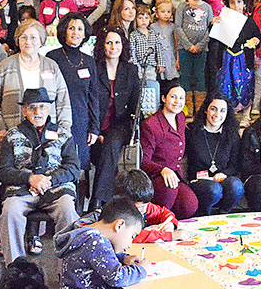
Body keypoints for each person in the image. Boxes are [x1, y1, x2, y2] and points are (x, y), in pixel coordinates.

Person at [0, 88, 81, 260]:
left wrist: (50, 180)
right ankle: (15, 267)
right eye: (32, 107)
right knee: (10, 211)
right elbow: (3, 171)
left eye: (42, 107)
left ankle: (67, 269)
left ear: (49, 109)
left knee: (68, 211)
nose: (37, 112)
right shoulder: (12, 135)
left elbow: (73, 168)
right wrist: (29, 178)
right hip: (21, 190)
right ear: (24, 111)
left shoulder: (63, 135)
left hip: (56, 189)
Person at [0, 21, 73, 146]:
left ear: (41, 40)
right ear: (17, 40)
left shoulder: (51, 66)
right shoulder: (5, 66)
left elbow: (63, 99)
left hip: (48, 136)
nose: (28, 42)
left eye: (33, 37)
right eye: (23, 37)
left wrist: (64, 129)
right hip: (12, 134)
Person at [47, 13, 99, 187]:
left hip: (81, 121)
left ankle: (78, 211)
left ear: (85, 34)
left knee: (80, 167)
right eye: (71, 28)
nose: (75, 32)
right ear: (63, 31)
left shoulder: (90, 61)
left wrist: (95, 127)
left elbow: (93, 96)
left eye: (79, 29)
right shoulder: (51, 57)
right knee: (55, 164)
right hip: (56, 119)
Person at [92, 29, 141, 205]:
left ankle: (98, 201)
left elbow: (136, 104)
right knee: (103, 154)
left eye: (117, 42)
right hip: (95, 126)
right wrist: (94, 130)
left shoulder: (130, 70)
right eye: (109, 43)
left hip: (120, 125)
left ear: (123, 45)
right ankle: (110, 203)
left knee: (111, 144)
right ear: (102, 45)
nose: (113, 47)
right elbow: (89, 101)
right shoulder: (93, 67)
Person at [140, 86, 197, 219]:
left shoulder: (181, 117)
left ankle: (170, 222)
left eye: (181, 98)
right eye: (173, 97)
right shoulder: (150, 125)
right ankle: (156, 222)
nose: (178, 101)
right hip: (156, 175)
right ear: (164, 98)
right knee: (169, 191)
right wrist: (162, 170)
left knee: (190, 205)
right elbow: (144, 161)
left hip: (176, 175)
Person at [186, 94, 244, 216]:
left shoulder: (232, 134)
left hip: (223, 179)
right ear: (206, 109)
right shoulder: (192, 131)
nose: (217, 114)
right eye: (213, 109)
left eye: (222, 111)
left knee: (236, 186)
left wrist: (224, 174)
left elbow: (235, 164)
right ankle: (204, 216)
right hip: (199, 181)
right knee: (213, 189)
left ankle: (224, 214)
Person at [209, 0, 260, 120]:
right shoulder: (222, 20)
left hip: (244, 60)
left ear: (244, 3)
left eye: (239, 2)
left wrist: (256, 40)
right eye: (232, 2)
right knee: (226, 85)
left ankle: (246, 114)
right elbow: (213, 39)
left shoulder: (249, 22)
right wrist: (212, 25)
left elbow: (257, 36)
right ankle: (228, 114)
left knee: (246, 85)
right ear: (227, 4)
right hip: (226, 59)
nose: (236, 6)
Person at [175, 0, 214, 116]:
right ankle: (187, 108)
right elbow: (178, 27)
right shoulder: (182, 7)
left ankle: (199, 108)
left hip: (202, 49)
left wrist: (200, 45)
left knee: (199, 76)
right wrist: (188, 45)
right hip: (185, 49)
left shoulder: (207, 7)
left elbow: (210, 28)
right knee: (185, 76)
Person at [129, 4, 165, 118]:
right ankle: (141, 111)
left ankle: (152, 110)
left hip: (151, 67)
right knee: (140, 89)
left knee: (152, 85)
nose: (143, 21)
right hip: (139, 66)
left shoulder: (153, 33)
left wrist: (161, 63)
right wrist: (136, 68)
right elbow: (132, 52)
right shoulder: (134, 35)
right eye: (140, 18)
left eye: (146, 17)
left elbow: (158, 49)